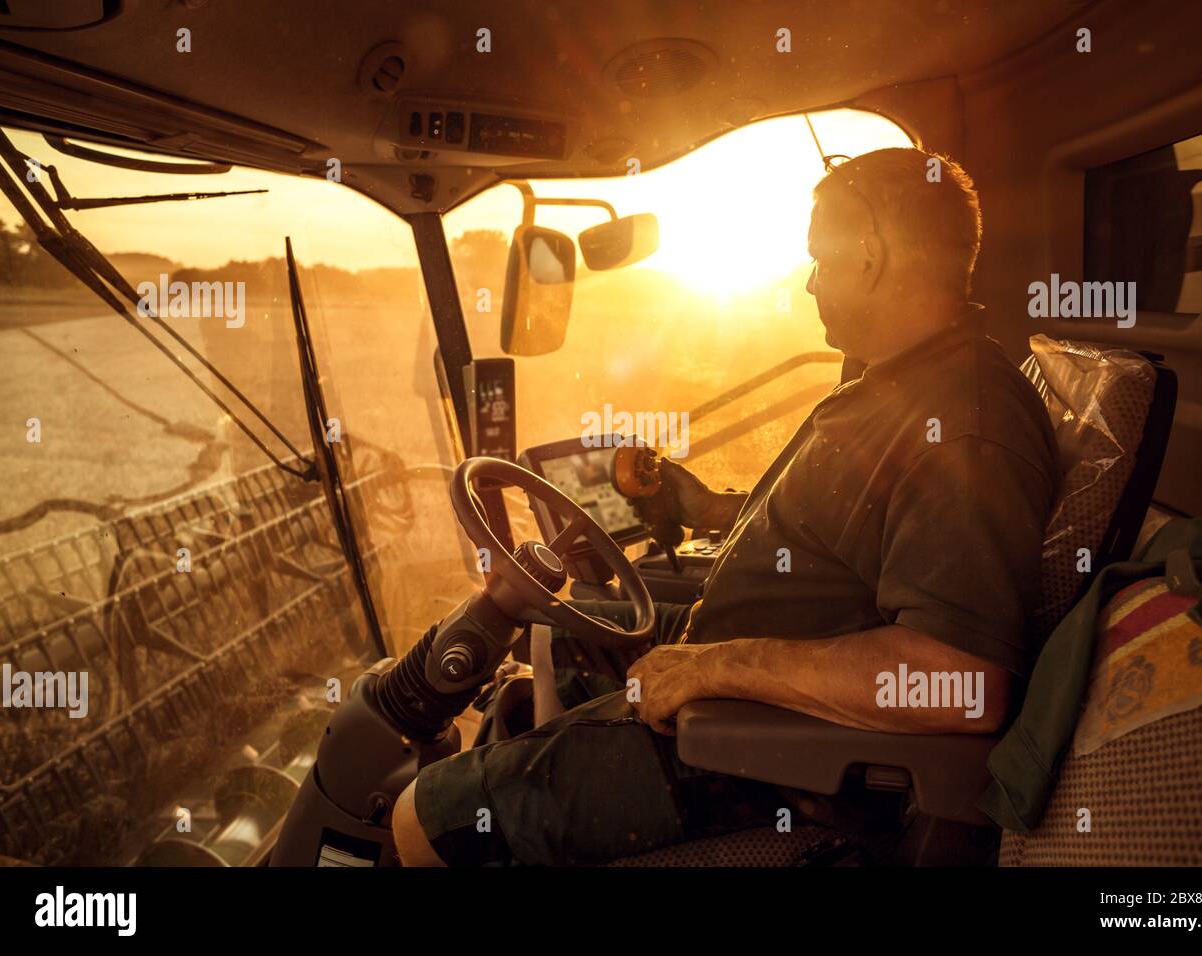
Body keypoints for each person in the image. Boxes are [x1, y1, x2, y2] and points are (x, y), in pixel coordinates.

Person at [392, 147, 1058, 866]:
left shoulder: (965, 422)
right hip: (752, 687)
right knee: (551, 632)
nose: (809, 282)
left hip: (773, 759)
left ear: (868, 256)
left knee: (420, 817)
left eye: (822, 261)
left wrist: (715, 667)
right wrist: (711, 510)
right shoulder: (902, 381)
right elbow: (851, 536)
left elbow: (959, 682)